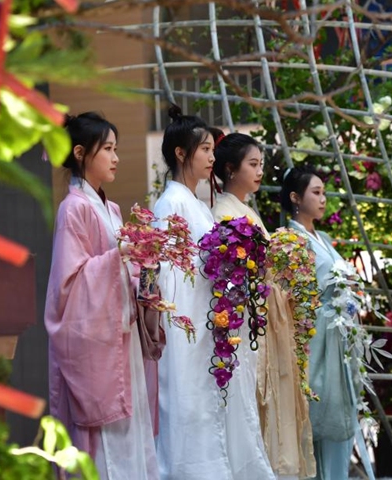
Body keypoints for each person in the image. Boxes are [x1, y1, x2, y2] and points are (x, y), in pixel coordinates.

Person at [154, 108, 275, 480]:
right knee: (191, 409)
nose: (211, 158)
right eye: (204, 149)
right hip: (187, 329)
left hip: (211, 324)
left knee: (213, 409)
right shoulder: (170, 204)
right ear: (180, 153)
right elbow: (169, 278)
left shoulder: (197, 205)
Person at [44, 112, 161, 480]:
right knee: (109, 442)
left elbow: (118, 266)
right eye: (107, 149)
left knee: (132, 436)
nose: (115, 158)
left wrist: (144, 267)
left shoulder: (109, 209)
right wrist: (122, 256)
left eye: (115, 149)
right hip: (98, 345)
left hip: (120, 339)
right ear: (80, 152)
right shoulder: (73, 209)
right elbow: (70, 286)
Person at [210, 133, 315, 480]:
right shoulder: (223, 212)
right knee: (262, 401)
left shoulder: (246, 210)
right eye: (252, 164)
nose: (259, 172)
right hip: (253, 323)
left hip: (268, 316)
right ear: (230, 168)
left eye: (261, 164)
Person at [281, 164, 357, 480]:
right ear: (296, 197)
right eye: (316, 192)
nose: (323, 199)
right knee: (316, 412)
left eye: (324, 192)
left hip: (339, 333)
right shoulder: (289, 239)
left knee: (341, 412)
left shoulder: (322, 236)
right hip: (314, 335)